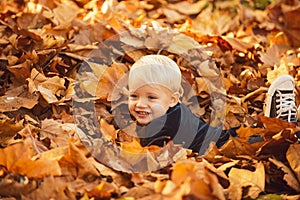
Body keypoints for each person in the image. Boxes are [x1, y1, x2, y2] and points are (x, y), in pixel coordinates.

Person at [127, 54, 299, 154]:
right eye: (134, 96)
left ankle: (282, 127)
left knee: (255, 143)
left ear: (173, 99)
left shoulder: (163, 123)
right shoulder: (167, 110)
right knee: (240, 135)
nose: (140, 104)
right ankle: (287, 125)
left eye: (151, 98)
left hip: (220, 147)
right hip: (218, 137)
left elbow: (148, 155)